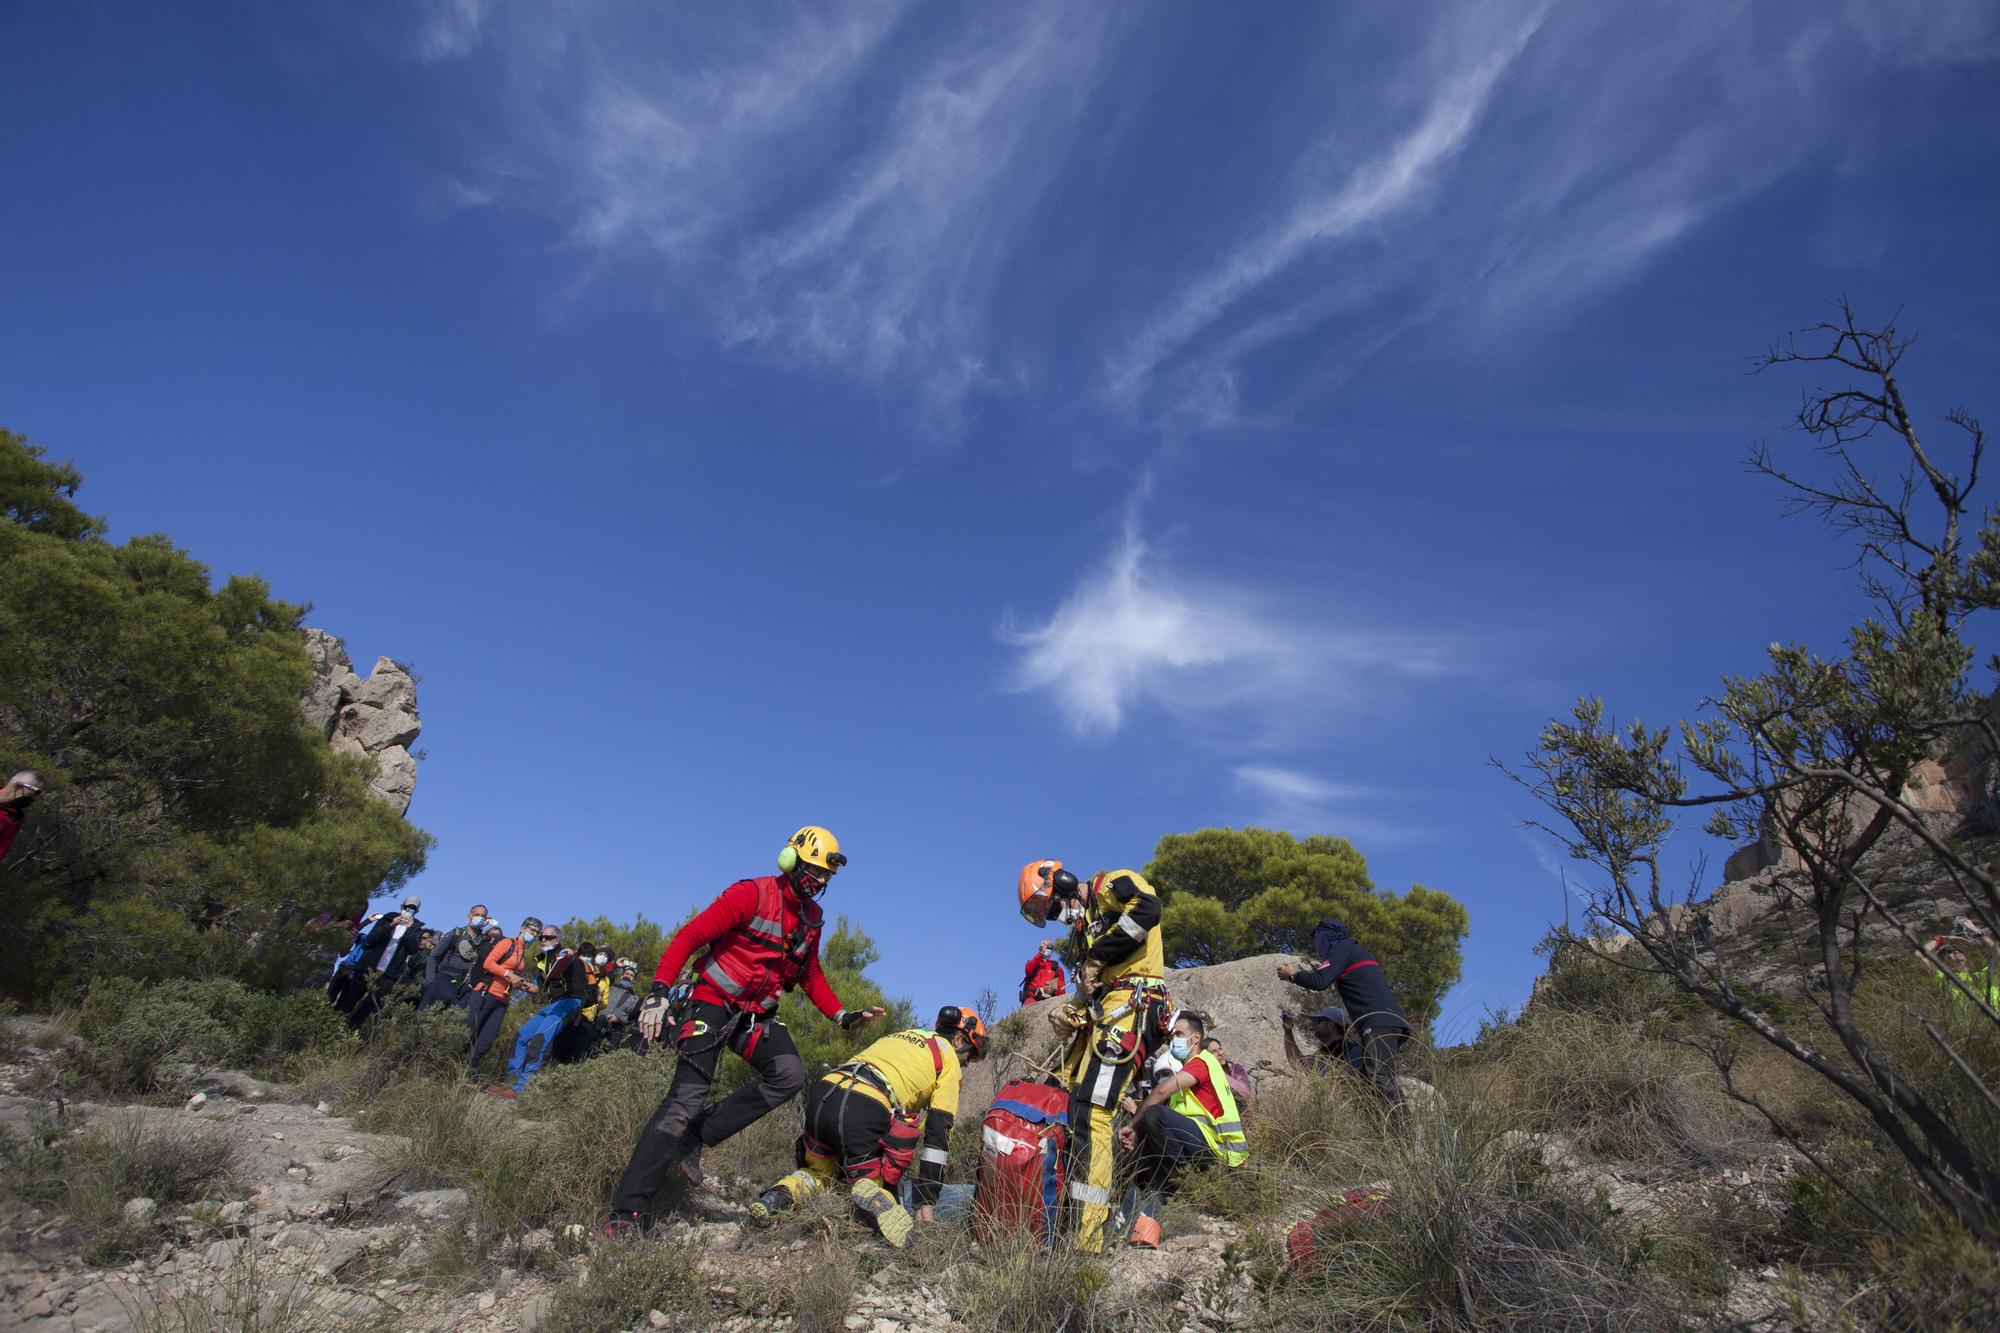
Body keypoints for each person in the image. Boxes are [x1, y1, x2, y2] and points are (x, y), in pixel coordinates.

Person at [606, 827, 886, 1235]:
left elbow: (811, 975)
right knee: (685, 1098)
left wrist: (842, 1016)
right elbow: (690, 936)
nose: (821, 881)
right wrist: (658, 992)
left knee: (789, 1074)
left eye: (826, 876)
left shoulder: (812, 919)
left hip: (755, 1015)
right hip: (710, 1002)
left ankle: (694, 1138)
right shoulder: (750, 894)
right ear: (791, 860)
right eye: (815, 871)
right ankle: (626, 1214)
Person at [1017, 857, 1170, 1253]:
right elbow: (1094, 987)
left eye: (1051, 905)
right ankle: (1069, 1217)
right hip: (1111, 1010)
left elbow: (1149, 909)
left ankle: (1087, 1236)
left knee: (1095, 1111)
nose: (1054, 916)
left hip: (1136, 1003)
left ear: (1063, 882)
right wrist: (1074, 1012)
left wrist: (1100, 955)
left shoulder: (1110, 885)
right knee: (1074, 1105)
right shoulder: (1085, 930)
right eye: (1046, 915)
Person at [749, 1006, 989, 1248]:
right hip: (866, 1105)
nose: (965, 1065)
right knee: (871, 1184)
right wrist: (928, 1200)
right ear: (958, 1040)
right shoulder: (948, 1057)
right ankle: (872, 1190)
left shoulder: (901, 1036)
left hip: (824, 1094)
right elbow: (938, 1135)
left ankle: (776, 1196)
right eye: (967, 1058)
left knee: (818, 1172)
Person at [1116, 1011, 1247, 1247]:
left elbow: (1161, 1092)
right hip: (1205, 1146)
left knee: (1154, 1113)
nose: (1173, 1040)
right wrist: (1139, 1133)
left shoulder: (1202, 1062)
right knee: (1145, 1146)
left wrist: (1133, 1124)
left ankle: (1172, 1186)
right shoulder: (1192, 1070)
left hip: (1218, 1151)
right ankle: (1131, 1221)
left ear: (1196, 1039)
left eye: (1179, 1034)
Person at [1278, 919, 1409, 1105]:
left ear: (1328, 936)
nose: (1316, 944)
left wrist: (1292, 975)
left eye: (1318, 938)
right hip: (1386, 1022)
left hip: (1378, 1023)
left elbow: (1319, 981)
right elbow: (1301, 1065)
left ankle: (1404, 1132)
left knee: (1380, 1078)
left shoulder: (1343, 948)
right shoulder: (1353, 952)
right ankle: (1384, 1131)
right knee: (1366, 1085)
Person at [331, 897, 427, 1026]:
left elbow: (412, 950)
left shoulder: (416, 929)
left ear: (417, 911)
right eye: (407, 907)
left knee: (364, 1012)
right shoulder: (387, 918)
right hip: (366, 969)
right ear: (401, 906)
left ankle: (350, 1037)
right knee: (345, 1004)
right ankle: (330, 1030)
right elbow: (371, 939)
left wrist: (409, 931)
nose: (409, 910)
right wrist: (391, 925)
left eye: (413, 909)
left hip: (387, 977)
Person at [466, 916, 543, 1073]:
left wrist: (526, 986)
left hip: (502, 1000)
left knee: (487, 1039)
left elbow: (513, 978)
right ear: (522, 929)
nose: (534, 934)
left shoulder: (523, 953)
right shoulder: (507, 943)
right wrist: (509, 974)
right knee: (470, 1033)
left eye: (537, 932)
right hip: (486, 993)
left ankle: (468, 1069)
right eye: (532, 930)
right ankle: (451, 1065)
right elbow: (489, 963)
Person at [420, 904, 494, 1010]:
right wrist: (431, 982)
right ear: (469, 916)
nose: (480, 918)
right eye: (477, 915)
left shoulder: (484, 941)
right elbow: (433, 956)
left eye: (483, 916)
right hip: (444, 980)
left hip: (463, 987)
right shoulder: (456, 933)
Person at [1922, 923, 2000, 1012]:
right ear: (1943, 963)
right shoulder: (1945, 979)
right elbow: (1920, 954)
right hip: (1972, 1024)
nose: (1955, 951)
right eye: (1949, 952)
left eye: (1957, 950)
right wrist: (1941, 939)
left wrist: (1976, 930)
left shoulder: (1984, 975)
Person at [0, 771, 44, 863]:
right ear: (18, 786)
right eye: (29, 796)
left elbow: (3, 848)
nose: (31, 800)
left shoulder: (16, 816)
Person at [1201, 1037, 1254, 1106]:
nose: (1220, 1053)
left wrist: (1221, 1073)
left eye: (1220, 1049)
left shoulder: (1235, 1067)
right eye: (1214, 1051)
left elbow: (1245, 1094)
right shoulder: (1204, 1074)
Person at [1020, 939, 1069, 1004]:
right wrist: (1040, 954)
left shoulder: (1056, 968)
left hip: (1049, 1001)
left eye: (1047, 946)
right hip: (1031, 999)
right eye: (1043, 945)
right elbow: (1028, 970)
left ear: (1052, 950)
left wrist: (1053, 990)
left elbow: (1061, 991)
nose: (1045, 947)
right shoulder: (1033, 963)